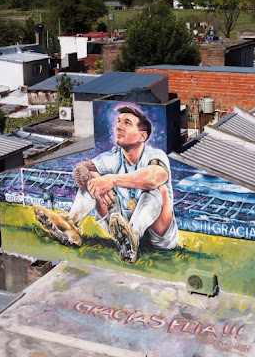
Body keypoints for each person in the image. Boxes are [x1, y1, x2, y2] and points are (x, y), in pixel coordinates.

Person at [34, 105, 177, 263]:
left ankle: (133, 237)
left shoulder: (155, 155)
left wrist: (111, 180)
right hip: (119, 226)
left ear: (141, 136)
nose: (119, 126)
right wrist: (93, 181)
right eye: (118, 121)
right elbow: (80, 169)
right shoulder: (113, 156)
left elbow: (155, 177)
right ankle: (70, 225)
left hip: (159, 236)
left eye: (127, 123)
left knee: (157, 189)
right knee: (93, 179)